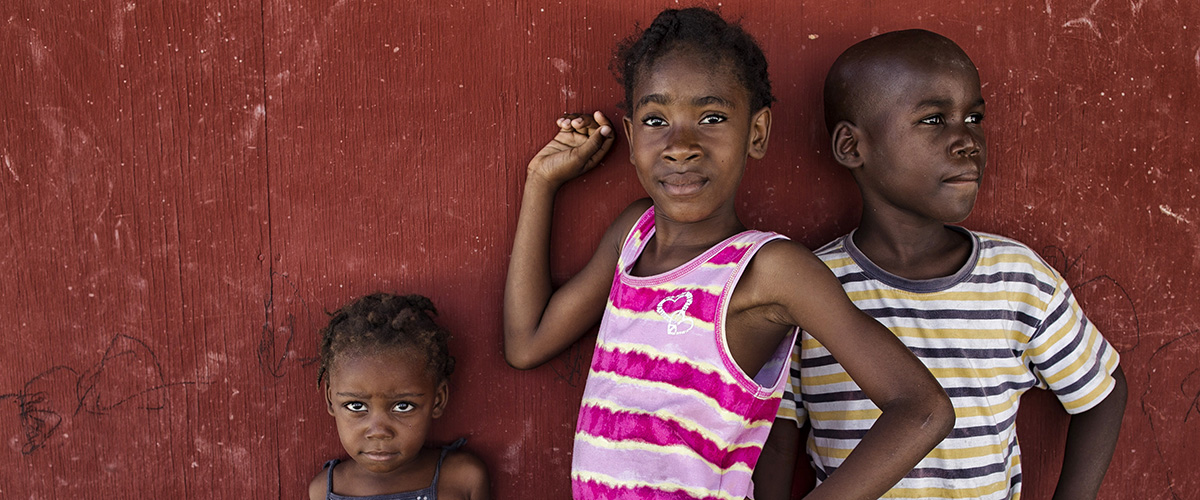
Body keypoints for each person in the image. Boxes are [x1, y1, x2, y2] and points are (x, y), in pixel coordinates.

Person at [503, 8, 954, 499]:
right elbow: (527, 344)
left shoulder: (766, 269)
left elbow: (923, 409)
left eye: (712, 118)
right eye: (656, 120)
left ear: (756, 134)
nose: (680, 146)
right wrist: (540, 182)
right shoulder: (634, 234)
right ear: (631, 139)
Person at [756, 29, 1128, 500]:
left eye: (974, 117)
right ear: (852, 146)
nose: (967, 140)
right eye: (934, 119)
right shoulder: (808, 286)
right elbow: (776, 437)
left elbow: (1103, 391)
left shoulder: (1017, 280)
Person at [309, 293, 489, 500]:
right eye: (356, 406)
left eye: (403, 406)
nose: (379, 432)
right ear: (331, 400)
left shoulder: (463, 480)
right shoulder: (323, 491)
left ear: (438, 400)